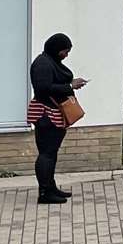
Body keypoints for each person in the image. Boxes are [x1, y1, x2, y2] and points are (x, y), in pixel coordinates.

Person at [27, 33, 85, 205]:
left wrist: (70, 83)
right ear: (55, 49)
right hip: (46, 116)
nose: (66, 55)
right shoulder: (42, 64)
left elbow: (53, 82)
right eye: (64, 51)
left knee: (52, 152)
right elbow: (43, 87)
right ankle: (44, 193)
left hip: (52, 114)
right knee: (46, 153)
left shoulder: (50, 61)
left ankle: (51, 187)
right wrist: (69, 86)